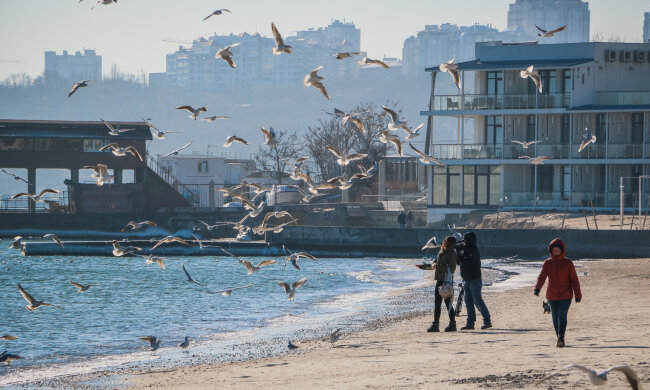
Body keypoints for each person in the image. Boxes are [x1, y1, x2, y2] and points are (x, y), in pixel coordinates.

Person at [534, 238, 582, 348]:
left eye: (557, 250)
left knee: (562, 314)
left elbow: (574, 280)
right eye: (554, 250)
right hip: (552, 295)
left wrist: (578, 295)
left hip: (566, 295)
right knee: (555, 317)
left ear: (562, 251)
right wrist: (537, 288)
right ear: (551, 251)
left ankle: (561, 337)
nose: (556, 252)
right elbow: (542, 277)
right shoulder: (547, 263)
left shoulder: (568, 263)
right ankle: (559, 338)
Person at [456, 232, 492, 330]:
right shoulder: (467, 249)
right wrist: (458, 252)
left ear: (469, 240)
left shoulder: (473, 250)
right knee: (468, 302)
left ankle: (487, 321)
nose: (464, 241)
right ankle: (470, 323)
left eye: (465, 239)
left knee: (478, 301)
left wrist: (459, 252)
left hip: (474, 280)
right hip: (466, 280)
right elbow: (459, 262)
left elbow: (465, 261)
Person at [427, 236, 457, 333]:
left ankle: (452, 324)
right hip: (439, 280)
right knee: (437, 303)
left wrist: (438, 266)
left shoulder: (452, 253)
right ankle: (435, 325)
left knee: (448, 303)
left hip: (447, 281)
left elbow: (452, 268)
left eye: (445, 240)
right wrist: (432, 264)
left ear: (450, 243)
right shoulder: (442, 251)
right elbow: (436, 260)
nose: (443, 241)